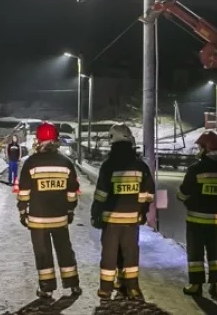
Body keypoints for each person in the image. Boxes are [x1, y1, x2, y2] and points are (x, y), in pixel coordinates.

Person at [16, 122, 82, 299]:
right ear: (56, 140)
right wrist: (70, 211)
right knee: (65, 250)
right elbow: (72, 192)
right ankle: (73, 285)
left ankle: (46, 288)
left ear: (39, 140)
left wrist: (23, 213)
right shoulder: (66, 163)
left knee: (43, 254)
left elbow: (23, 193)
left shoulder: (31, 163)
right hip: (60, 218)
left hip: (38, 219)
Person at [91, 124, 155, 300]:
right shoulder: (140, 166)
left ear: (112, 141)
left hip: (111, 220)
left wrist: (95, 214)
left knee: (109, 254)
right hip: (132, 219)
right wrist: (142, 211)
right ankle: (133, 288)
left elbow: (101, 194)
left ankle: (106, 288)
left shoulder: (109, 165)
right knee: (131, 253)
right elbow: (148, 192)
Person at [177, 131, 217, 297]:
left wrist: (181, 197)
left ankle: (196, 285)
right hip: (216, 219)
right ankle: (215, 284)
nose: (198, 150)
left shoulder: (196, 169)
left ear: (205, 148)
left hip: (196, 218)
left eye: (200, 147)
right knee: (216, 252)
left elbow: (184, 192)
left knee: (196, 252)